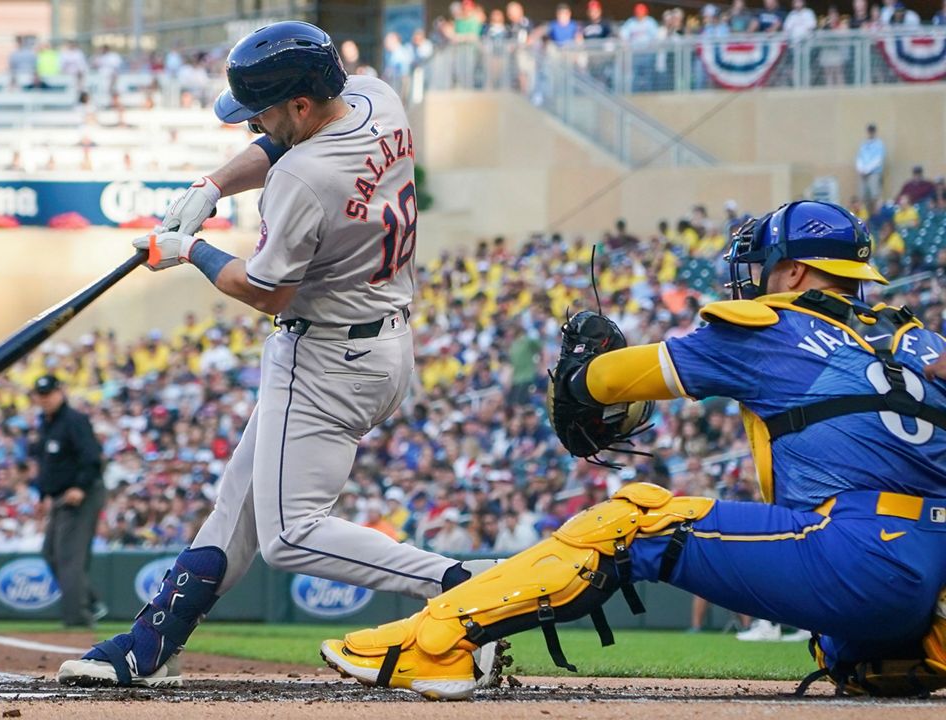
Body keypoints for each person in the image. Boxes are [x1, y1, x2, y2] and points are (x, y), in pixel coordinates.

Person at [322, 200, 946, 700]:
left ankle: (431, 647)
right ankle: (880, 649)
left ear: (797, 273)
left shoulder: (775, 326)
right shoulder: (918, 343)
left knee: (635, 519)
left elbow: (614, 381)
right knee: (854, 646)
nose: (756, 280)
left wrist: (577, 375)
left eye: (765, 267)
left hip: (860, 556)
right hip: (932, 580)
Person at [56, 20, 503, 690]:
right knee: (237, 507)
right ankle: (150, 644)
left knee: (289, 535)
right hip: (381, 343)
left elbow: (265, 290)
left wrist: (188, 252)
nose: (251, 126)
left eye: (262, 111)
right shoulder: (377, 97)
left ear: (299, 104)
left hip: (323, 358)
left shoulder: (301, 180)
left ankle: (464, 588)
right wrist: (210, 189)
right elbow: (281, 143)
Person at [32, 375, 108, 627]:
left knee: (68, 557)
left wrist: (80, 486)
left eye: (49, 393)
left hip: (81, 495)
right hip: (59, 496)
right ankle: (91, 602)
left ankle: (78, 618)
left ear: (60, 392)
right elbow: (48, 466)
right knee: (51, 553)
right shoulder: (47, 423)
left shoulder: (74, 420)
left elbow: (92, 457)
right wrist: (43, 495)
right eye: (41, 395)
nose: (45, 399)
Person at [856, 123, 886, 215]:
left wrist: (868, 170)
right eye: (869, 131)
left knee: (875, 195)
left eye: (872, 131)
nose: (870, 133)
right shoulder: (863, 144)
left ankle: (876, 215)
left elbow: (878, 160)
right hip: (863, 173)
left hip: (874, 173)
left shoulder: (879, 144)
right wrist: (861, 169)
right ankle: (866, 216)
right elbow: (859, 158)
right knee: (863, 196)